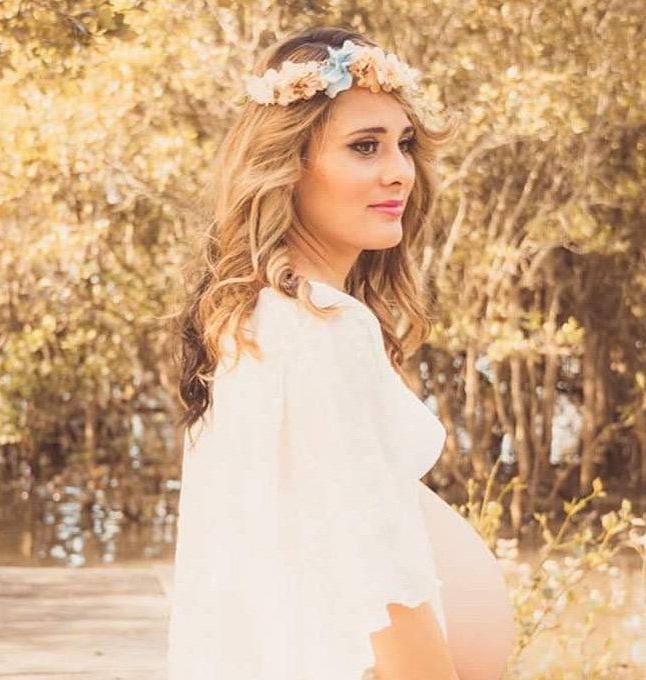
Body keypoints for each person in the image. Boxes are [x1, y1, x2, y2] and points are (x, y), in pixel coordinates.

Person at [166, 26, 515, 680]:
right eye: (364, 147)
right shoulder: (315, 328)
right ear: (285, 165)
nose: (398, 172)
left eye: (403, 143)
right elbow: (380, 579)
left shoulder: (260, 319)